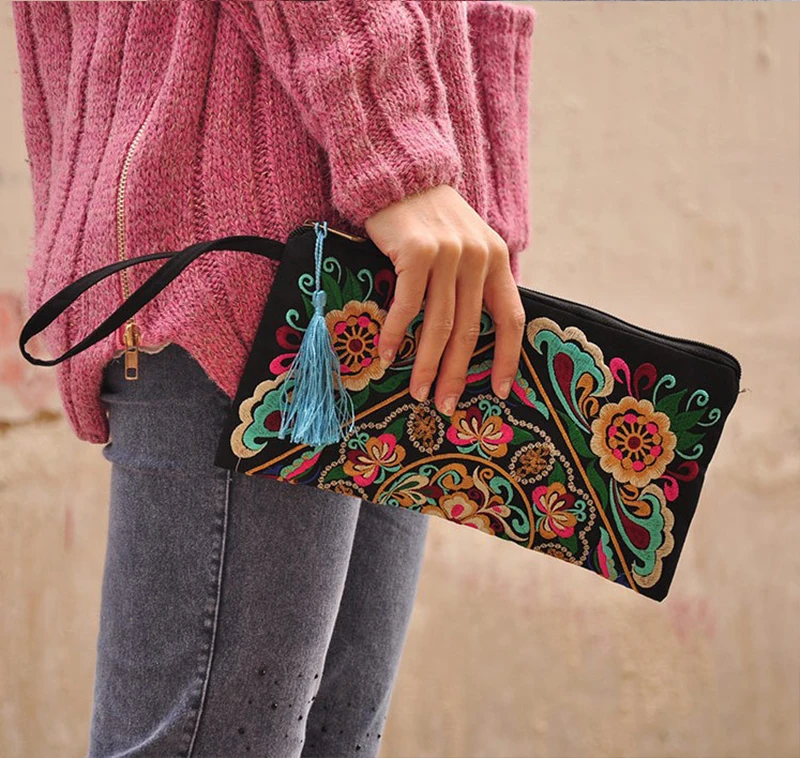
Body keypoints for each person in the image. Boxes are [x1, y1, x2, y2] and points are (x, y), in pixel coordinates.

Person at [12, 1, 535, 756]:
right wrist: (398, 152)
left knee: (335, 739)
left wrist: (478, 214)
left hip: (397, 278)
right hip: (257, 269)